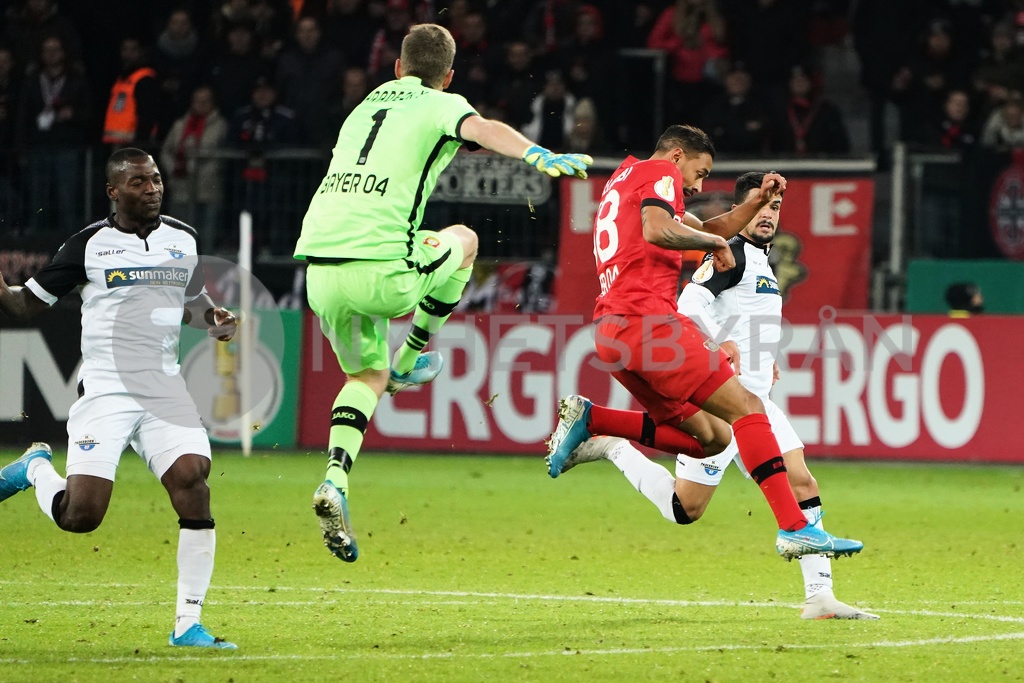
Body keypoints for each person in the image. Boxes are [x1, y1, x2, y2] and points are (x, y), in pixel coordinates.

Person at [293, 22, 592, 562]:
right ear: (448, 76)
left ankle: (335, 479)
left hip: (320, 268)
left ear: (396, 67)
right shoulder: (438, 104)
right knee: (467, 240)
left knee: (364, 376)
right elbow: (481, 128)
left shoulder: (364, 106)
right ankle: (409, 360)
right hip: (383, 269)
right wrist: (535, 155)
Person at [564, 172, 877, 619]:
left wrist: (762, 356)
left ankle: (820, 598)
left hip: (754, 398)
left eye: (774, 208)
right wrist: (716, 346)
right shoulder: (736, 257)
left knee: (803, 480)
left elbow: (746, 319)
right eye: (760, 206)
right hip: (720, 398)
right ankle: (612, 445)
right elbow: (689, 305)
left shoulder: (762, 262)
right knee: (684, 509)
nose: (768, 214)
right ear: (740, 211)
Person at [0, 148, 238, 649]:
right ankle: (34, 471)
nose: (152, 189)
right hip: (106, 389)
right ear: (113, 191)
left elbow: (191, 302)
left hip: (163, 387)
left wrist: (213, 318)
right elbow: (26, 305)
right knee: (80, 517)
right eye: (138, 182)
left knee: (192, 479)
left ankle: (187, 624)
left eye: (155, 179)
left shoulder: (183, 238)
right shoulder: (88, 246)